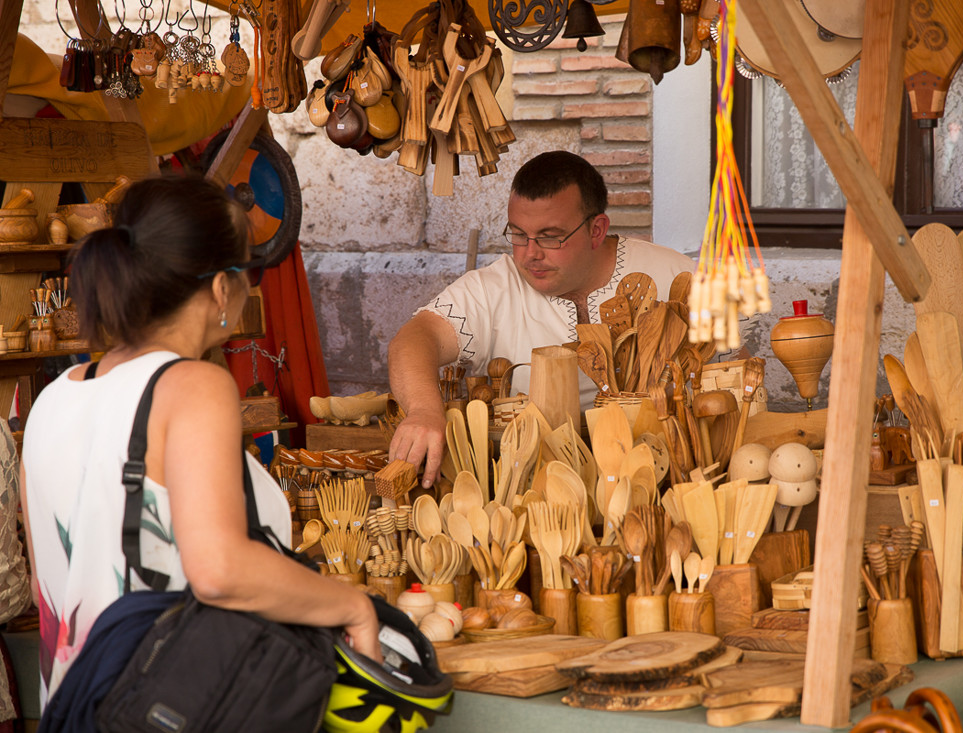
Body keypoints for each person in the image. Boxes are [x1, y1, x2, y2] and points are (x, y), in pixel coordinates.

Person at [19, 176, 381, 707]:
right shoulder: (193, 385)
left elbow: (45, 585)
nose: (251, 288)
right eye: (248, 271)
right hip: (170, 710)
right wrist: (352, 606)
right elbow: (219, 571)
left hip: (78, 707)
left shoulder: (52, 398)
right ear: (220, 288)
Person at [388, 150, 694, 487]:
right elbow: (416, 338)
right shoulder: (494, 288)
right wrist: (423, 409)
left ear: (596, 230)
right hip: (529, 492)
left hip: (661, 484)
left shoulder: (673, 276)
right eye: (518, 234)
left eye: (550, 236)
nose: (530, 253)